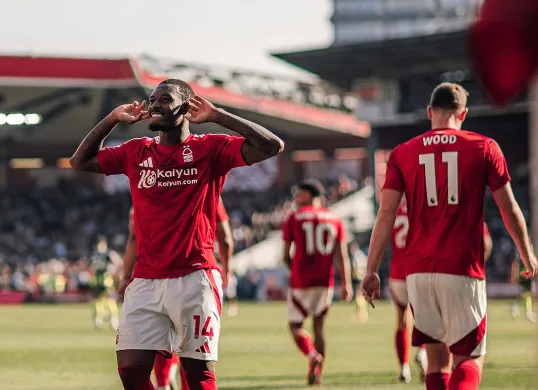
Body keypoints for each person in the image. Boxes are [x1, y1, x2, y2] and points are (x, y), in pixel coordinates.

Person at [70, 78, 284, 390]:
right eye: (152, 99)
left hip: (194, 277)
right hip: (144, 280)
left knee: (197, 376)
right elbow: (80, 161)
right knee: (130, 370)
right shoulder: (135, 152)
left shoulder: (210, 148)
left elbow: (271, 146)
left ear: (186, 106)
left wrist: (219, 115)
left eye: (165, 99)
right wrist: (113, 119)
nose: (155, 104)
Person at [360, 82, 537, 390]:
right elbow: (508, 208)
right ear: (463, 114)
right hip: (462, 268)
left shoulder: (402, 153)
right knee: (469, 359)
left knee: (437, 361)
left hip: (418, 273)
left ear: (430, 112)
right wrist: (527, 253)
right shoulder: (484, 146)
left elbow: (386, 213)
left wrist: (371, 269)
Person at [282, 179, 352, 386]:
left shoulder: (294, 218)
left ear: (310, 195)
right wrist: (346, 283)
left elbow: (285, 254)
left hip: (301, 281)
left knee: (295, 326)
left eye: (299, 194)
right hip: (325, 282)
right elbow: (341, 256)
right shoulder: (334, 219)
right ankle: (318, 375)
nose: (296, 199)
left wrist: (293, 270)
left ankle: (312, 355)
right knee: (319, 328)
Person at [89, 236, 122, 330]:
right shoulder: (108, 253)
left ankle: (99, 319)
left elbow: (90, 268)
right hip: (105, 280)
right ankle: (113, 319)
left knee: (99, 299)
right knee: (108, 299)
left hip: (97, 280)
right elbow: (118, 263)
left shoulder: (94, 255)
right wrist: (116, 273)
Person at [511, 244, 537, 323]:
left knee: (529, 293)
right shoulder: (519, 246)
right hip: (523, 273)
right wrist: (514, 275)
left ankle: (528, 312)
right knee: (527, 293)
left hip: (529, 272)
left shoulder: (530, 246)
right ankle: (517, 306)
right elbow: (515, 263)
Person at [349, 241, 369, 323]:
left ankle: (361, 313)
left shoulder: (356, 255)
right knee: (361, 295)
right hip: (363, 275)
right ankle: (361, 313)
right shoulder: (361, 254)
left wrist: (355, 272)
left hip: (358, 276)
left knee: (358, 295)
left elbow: (355, 266)